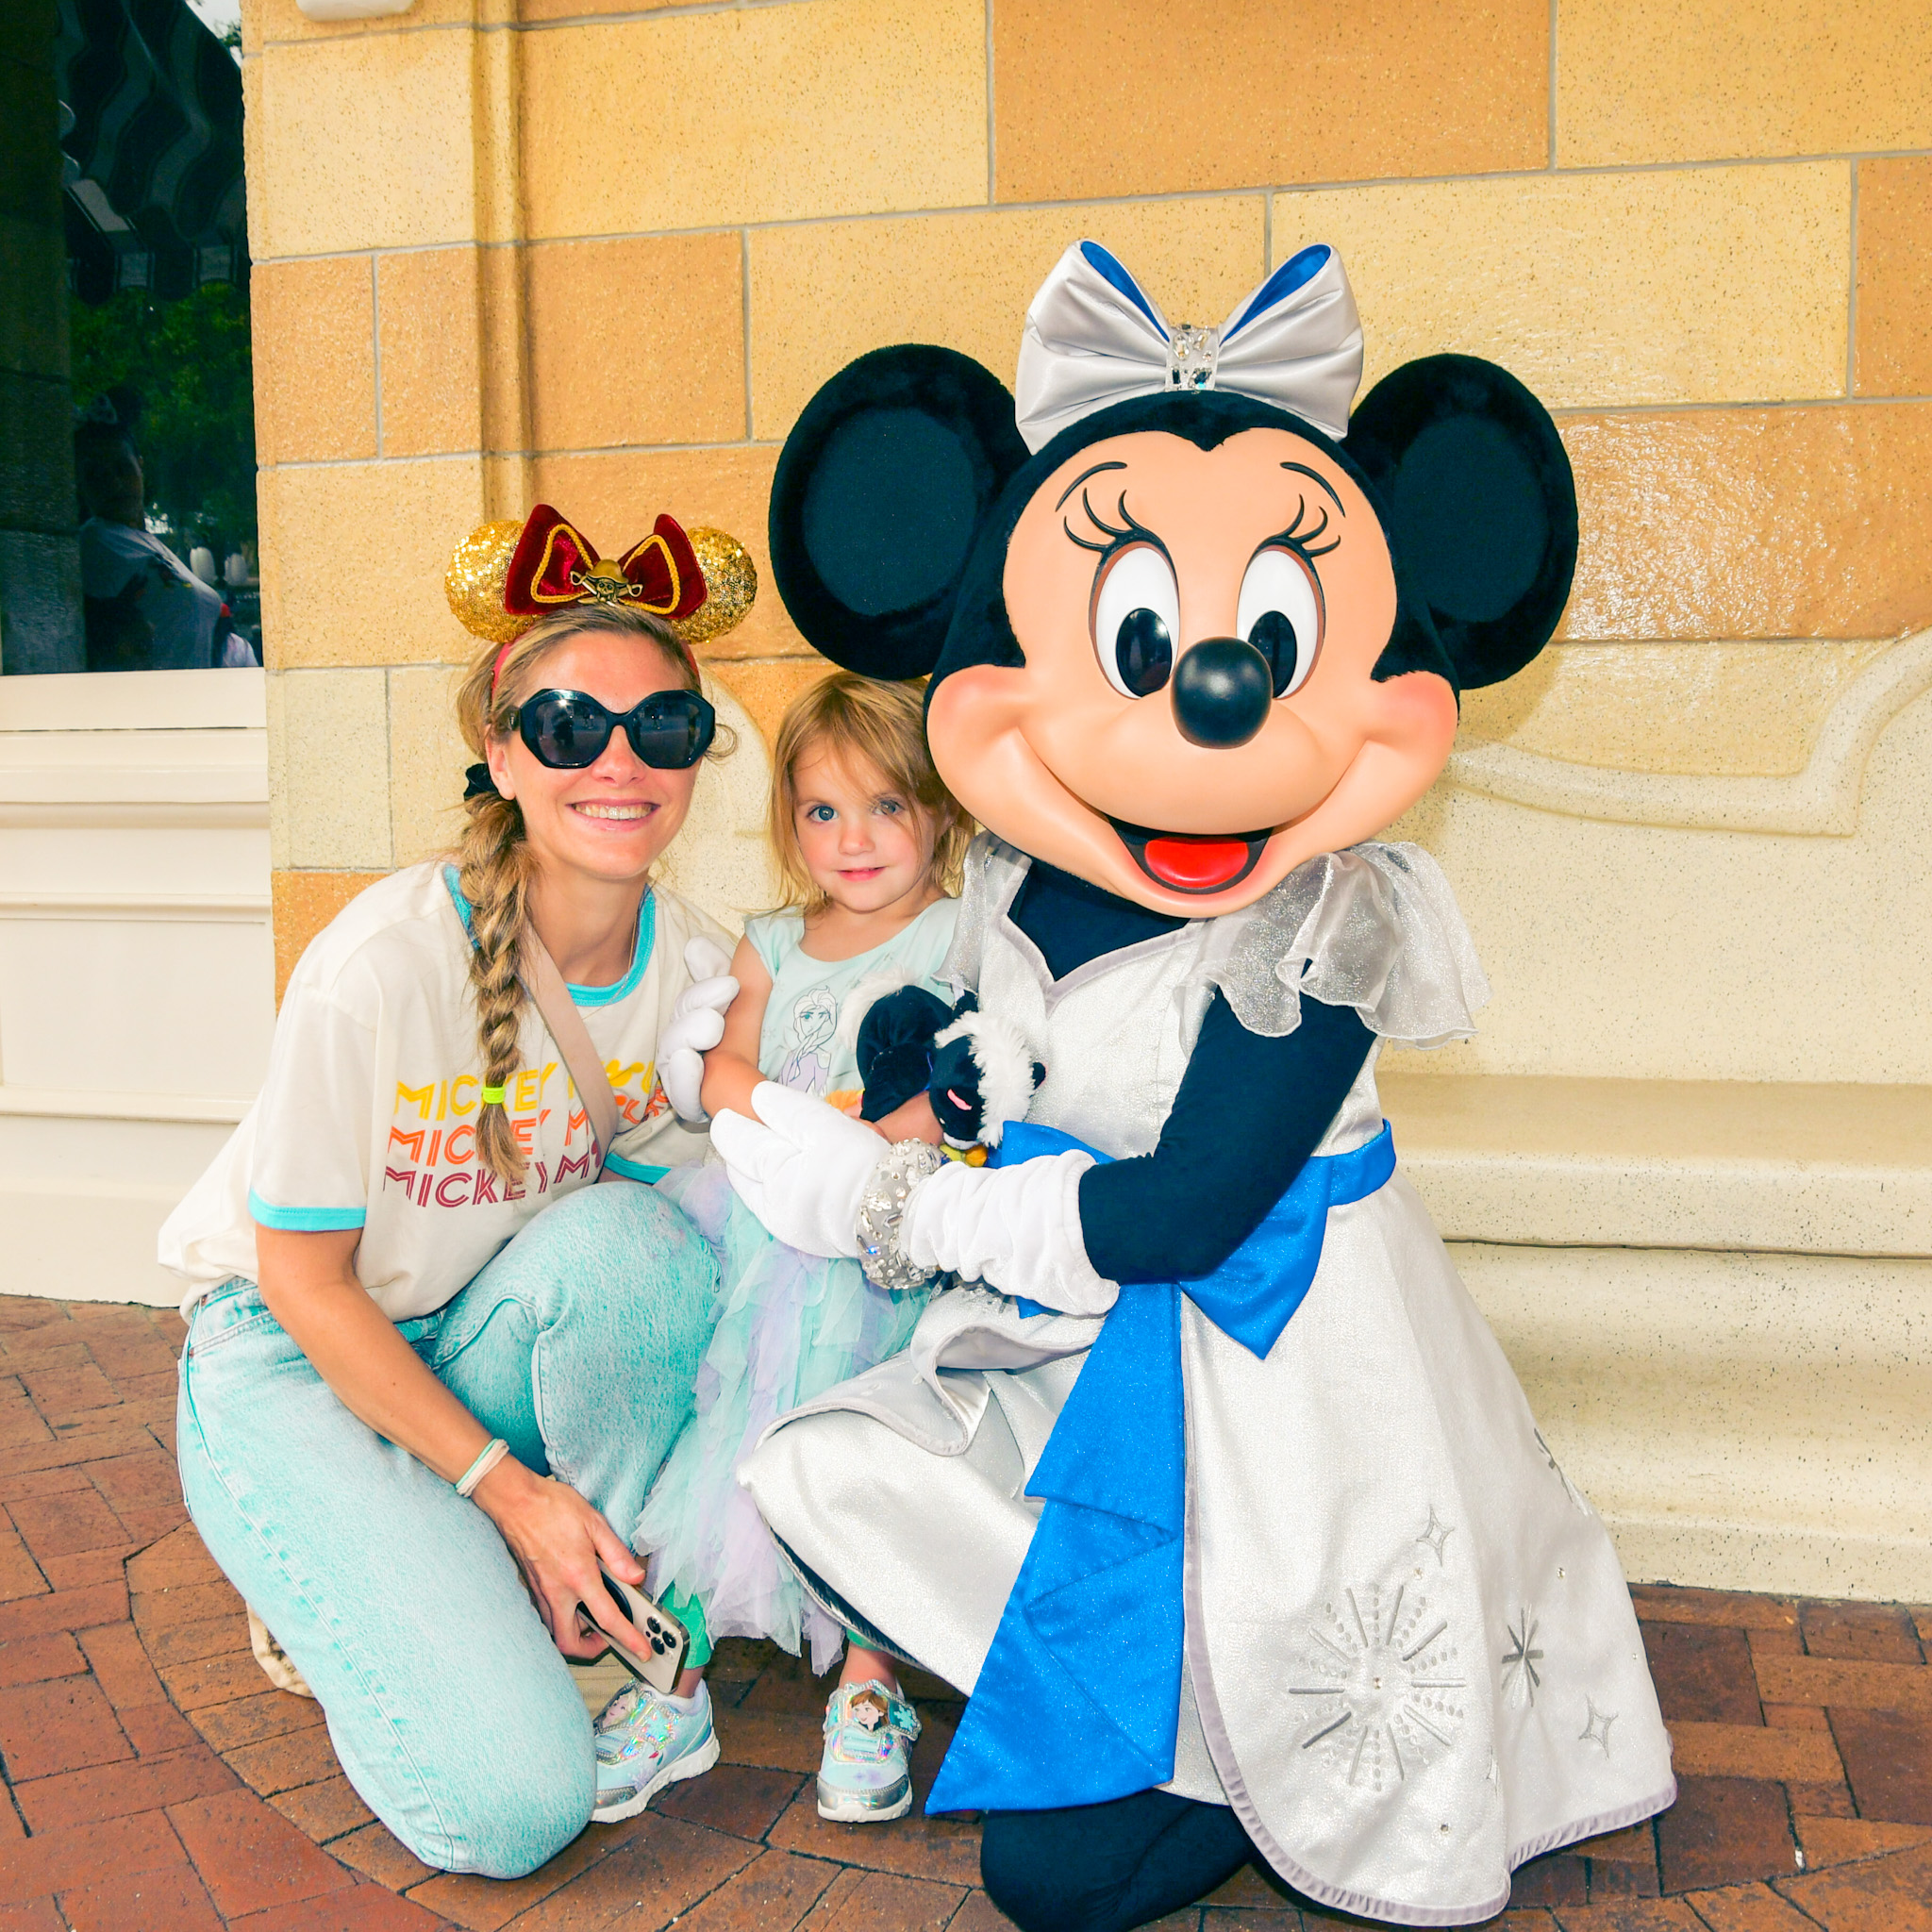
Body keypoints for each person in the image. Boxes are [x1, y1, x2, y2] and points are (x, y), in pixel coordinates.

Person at [719, 243, 1674, 1928]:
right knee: (822, 1480)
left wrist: (884, 1197)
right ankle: (1143, 1689)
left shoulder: (1324, 919)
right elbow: (1007, 1035)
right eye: (1146, 637)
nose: (1210, 693)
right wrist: (930, 1065)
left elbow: (1177, 1207)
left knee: (1062, 1877)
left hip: (1281, 1388)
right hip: (1074, 1362)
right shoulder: (1016, 879)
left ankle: (1243, 1737)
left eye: (1263, 638)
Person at [159, 581, 749, 1879]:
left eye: (662, 725)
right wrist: (516, 1495)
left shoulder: (702, 969)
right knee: (512, 1809)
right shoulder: (379, 964)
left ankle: (528, 1591)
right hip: (295, 1357)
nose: (619, 760)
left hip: (475, 1329)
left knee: (648, 1250)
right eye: (567, 723)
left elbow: (685, 1254)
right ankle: (361, 1563)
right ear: (500, 750)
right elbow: (305, 1284)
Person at [591, 672, 972, 1825]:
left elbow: (967, 1086)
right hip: (767, 1237)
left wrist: (861, 1146)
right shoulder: (770, 939)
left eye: (884, 808)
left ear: (940, 813)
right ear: (786, 820)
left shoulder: (964, 931)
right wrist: (793, 1127)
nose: (851, 840)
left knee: (860, 1430)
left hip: (888, 1237)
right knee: (733, 1425)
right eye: (820, 811)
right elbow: (721, 1072)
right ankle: (682, 1671)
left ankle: (866, 1680)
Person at [74, 416, 249, 669]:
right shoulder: (95, 543)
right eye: (96, 475)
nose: (113, 482)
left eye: (123, 468)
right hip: (161, 700)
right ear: (81, 487)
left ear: (140, 467)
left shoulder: (145, 543)